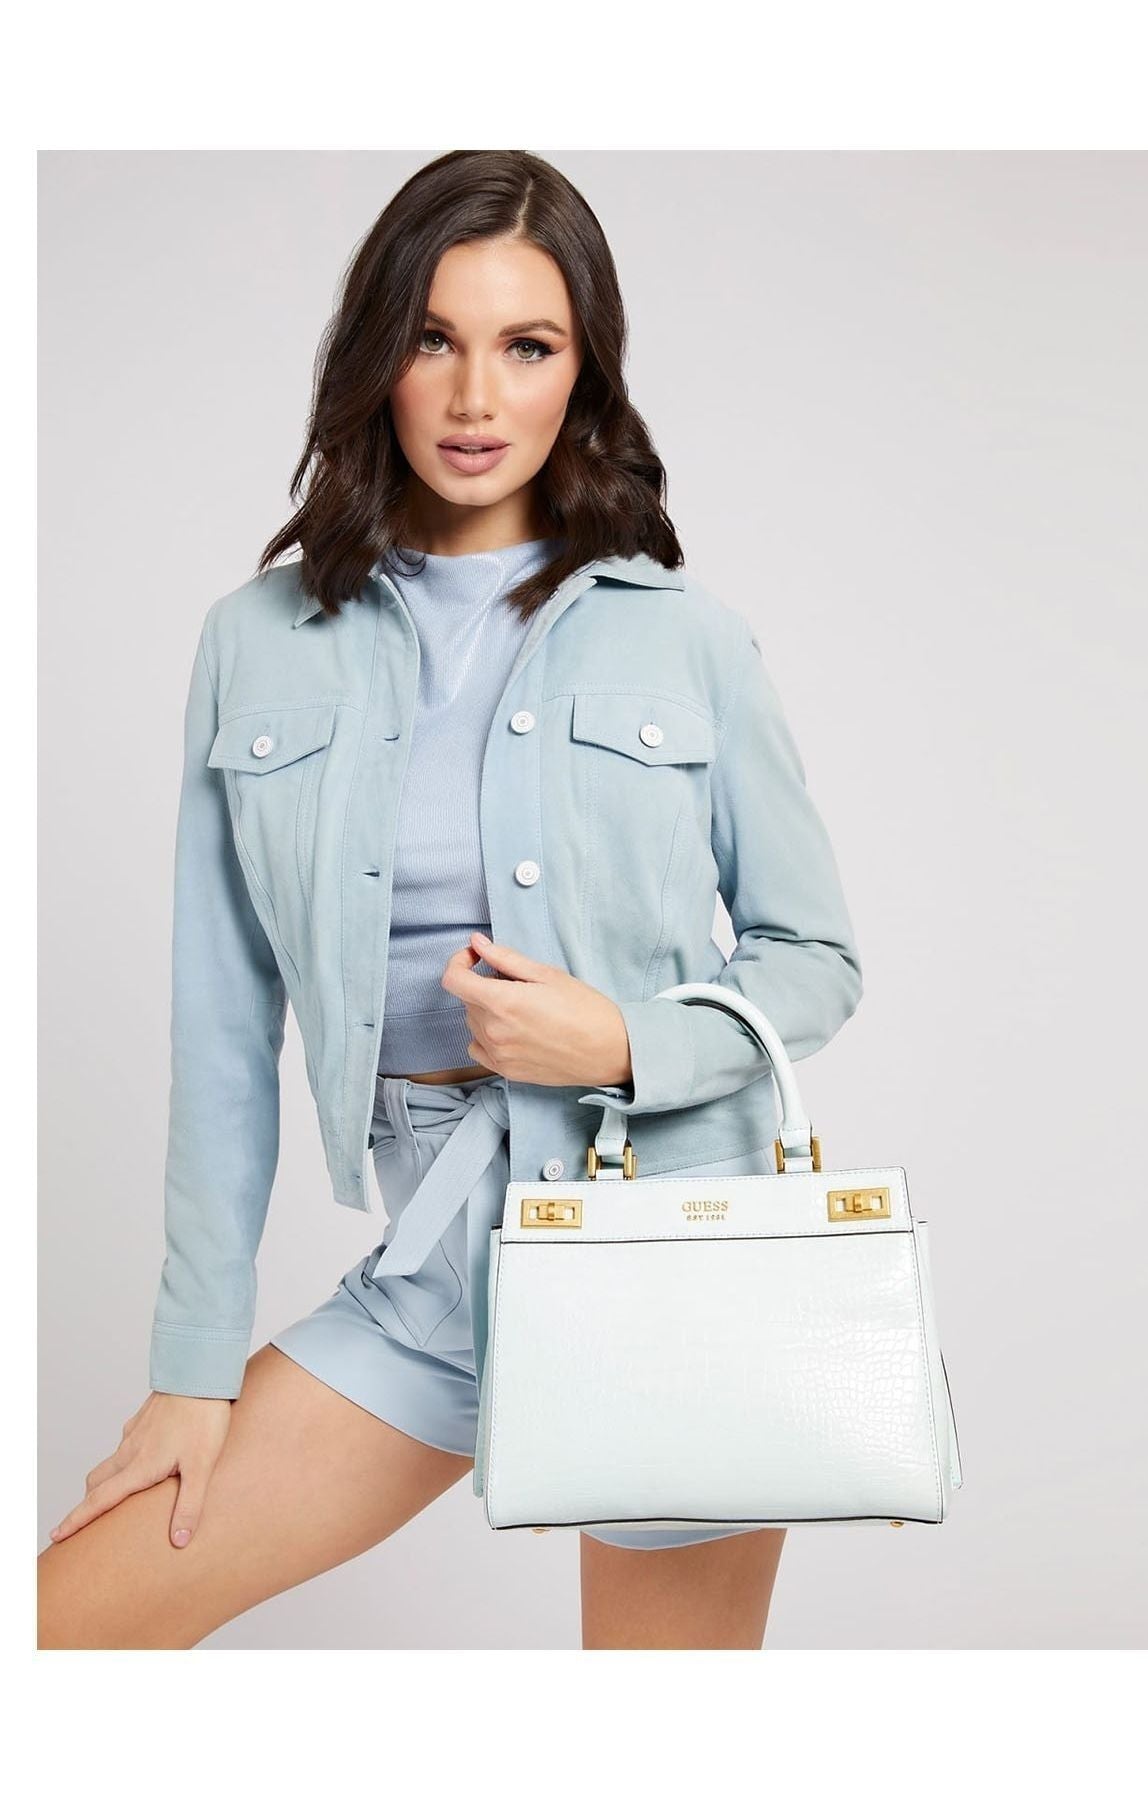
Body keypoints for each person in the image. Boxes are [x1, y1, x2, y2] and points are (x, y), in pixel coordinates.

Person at [37, 148, 863, 1651]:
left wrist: (624, 1039)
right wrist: (193, 1367)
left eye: (527, 346)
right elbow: (222, 1033)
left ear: (582, 372)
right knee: (67, 1631)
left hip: (671, 1251)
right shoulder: (255, 641)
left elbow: (814, 958)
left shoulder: (689, 639)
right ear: (380, 355)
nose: (477, 397)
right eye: (435, 339)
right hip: (429, 1277)